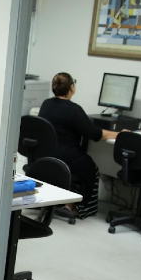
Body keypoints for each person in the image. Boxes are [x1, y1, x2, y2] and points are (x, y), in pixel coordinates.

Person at [38, 72, 118, 218]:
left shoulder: (46, 104)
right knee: (90, 169)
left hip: (46, 154)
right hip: (66, 156)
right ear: (71, 88)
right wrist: (118, 134)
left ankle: (65, 201)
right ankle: (79, 208)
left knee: (80, 163)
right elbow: (95, 134)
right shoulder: (74, 109)